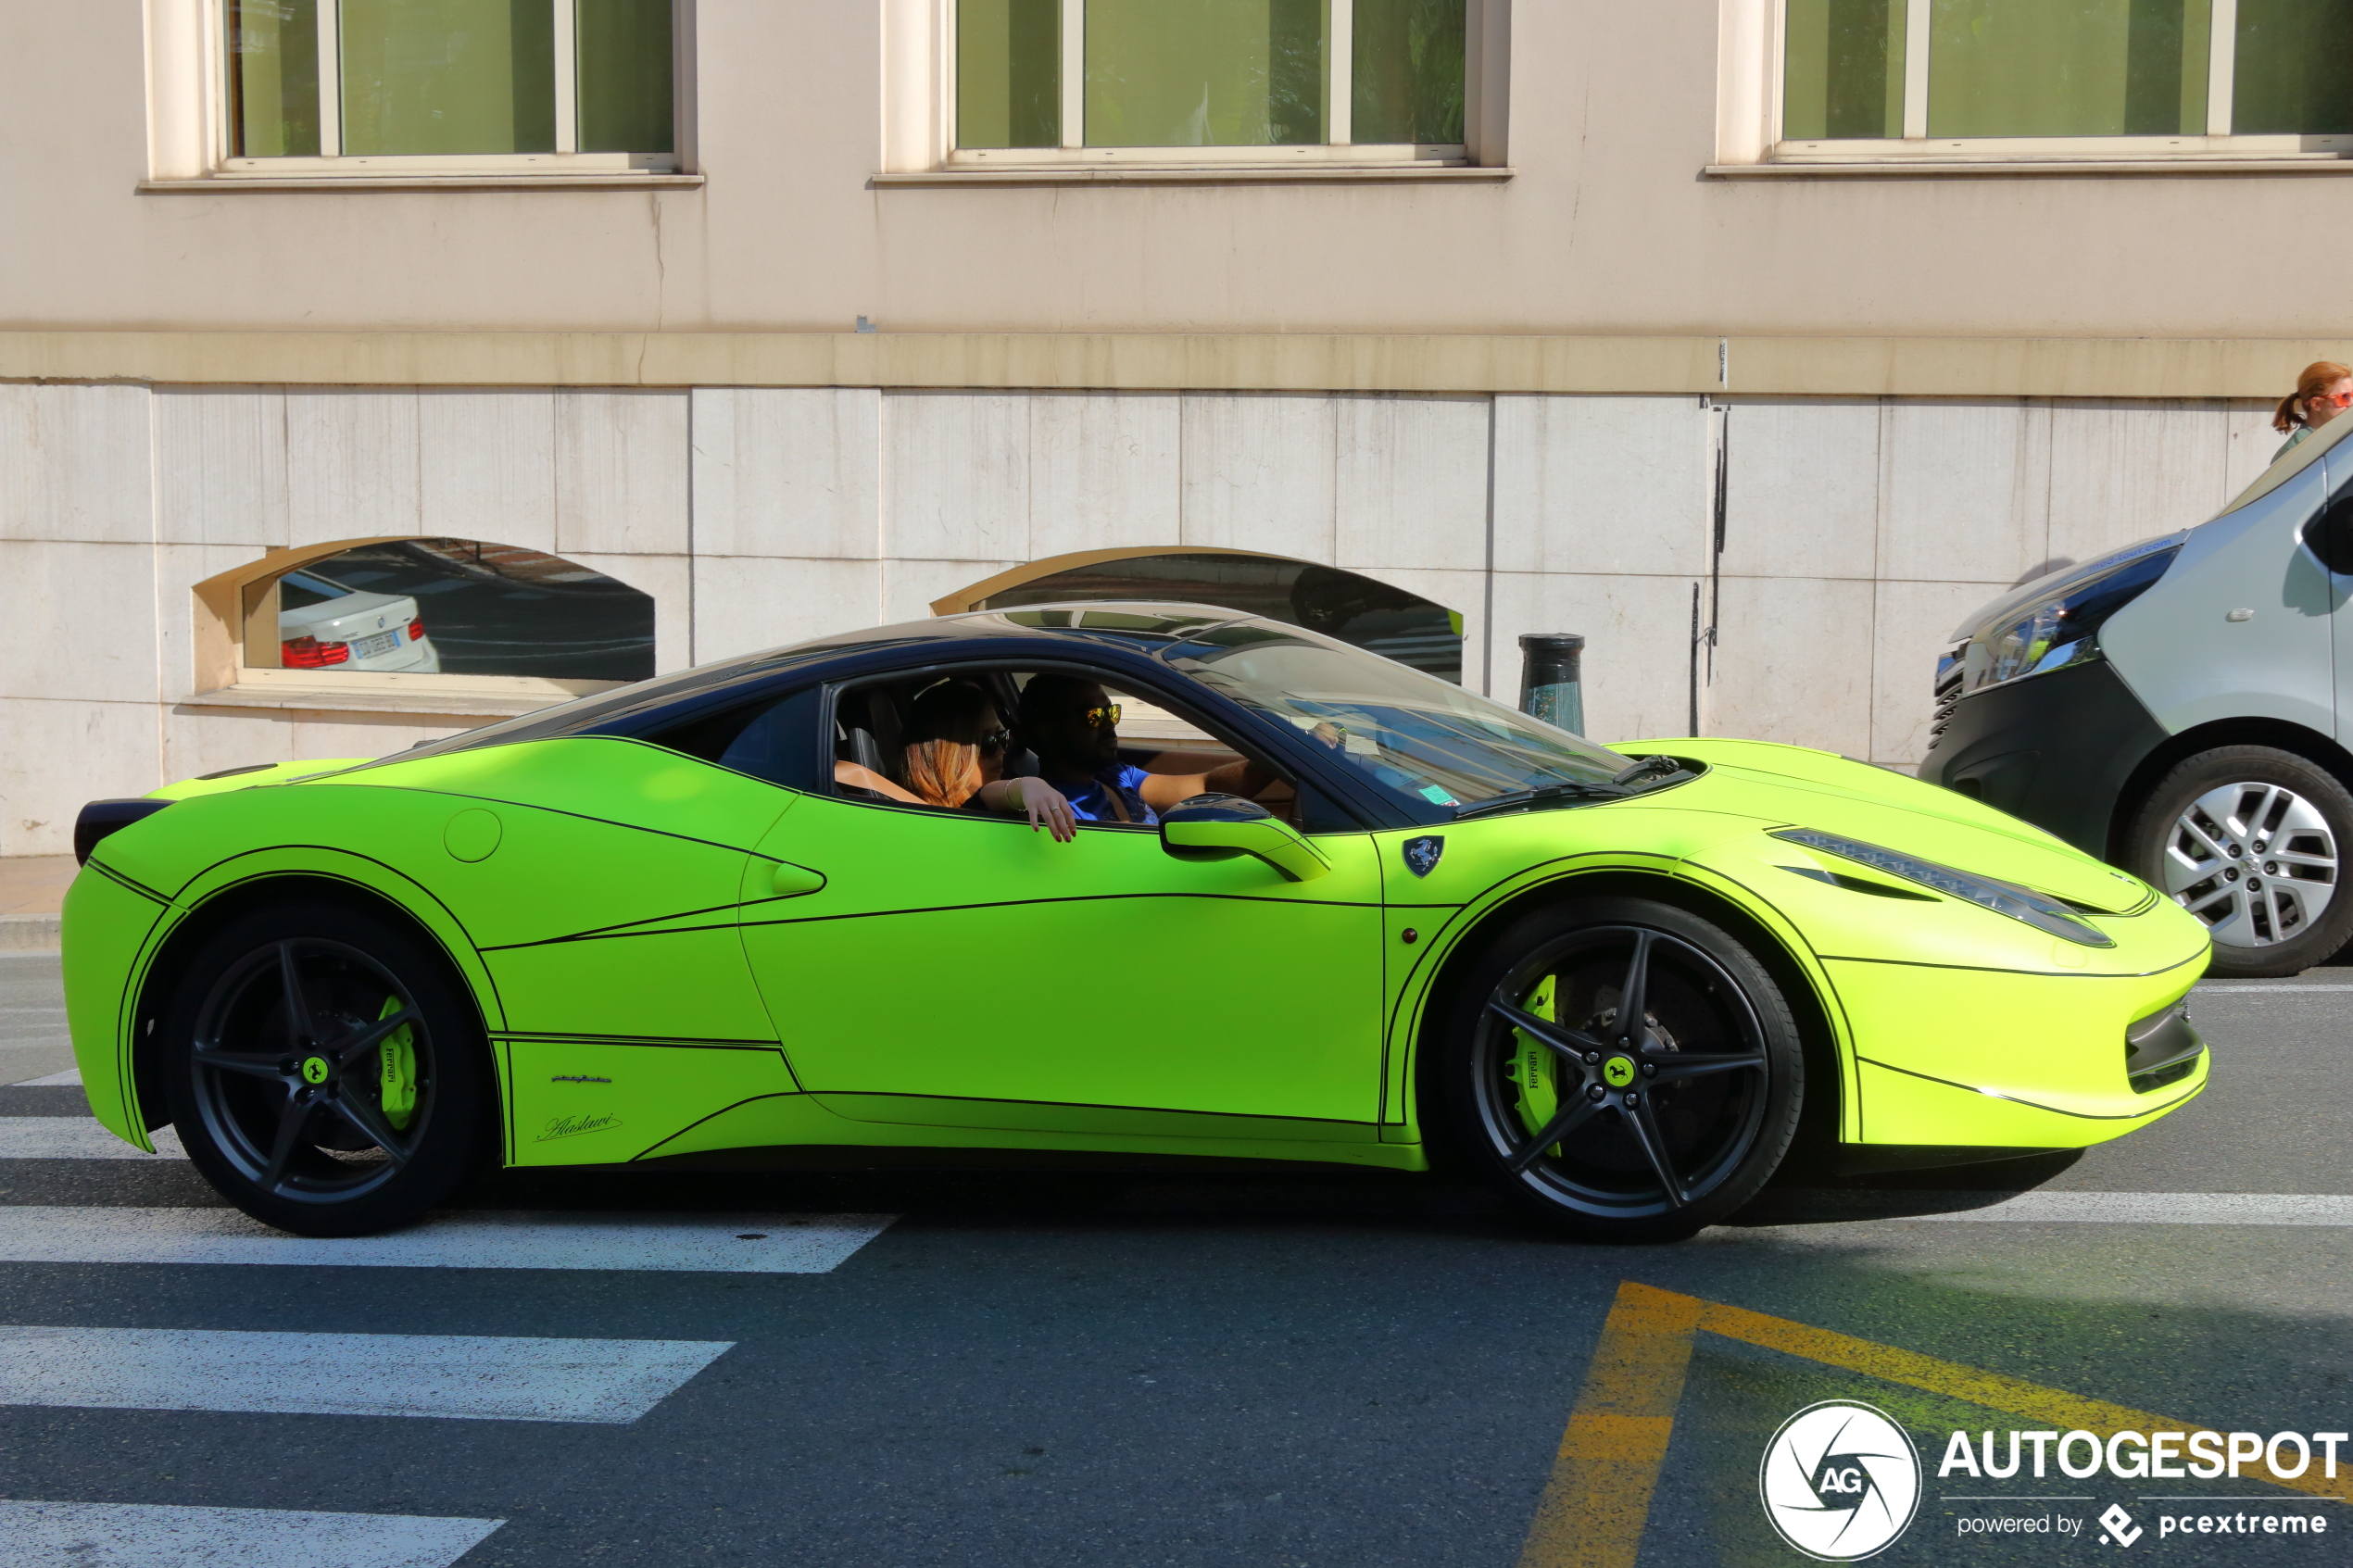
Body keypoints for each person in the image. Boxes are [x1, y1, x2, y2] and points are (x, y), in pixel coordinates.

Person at [1014, 672, 1273, 827]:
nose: (1108, 724)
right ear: (1047, 730)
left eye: (1111, 712)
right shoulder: (1049, 807)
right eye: (1093, 716)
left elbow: (1206, 789)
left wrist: (1278, 756)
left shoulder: (1116, 775)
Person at [834, 681, 1078, 840]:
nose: (1001, 751)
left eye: (1002, 737)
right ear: (946, 757)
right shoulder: (950, 817)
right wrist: (1027, 785)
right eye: (987, 743)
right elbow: (988, 797)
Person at [2271, 360, 2353, 465]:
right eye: (2344, 397)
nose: (2351, 403)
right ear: (2317, 404)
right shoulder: (2296, 453)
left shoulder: (2338, 439)